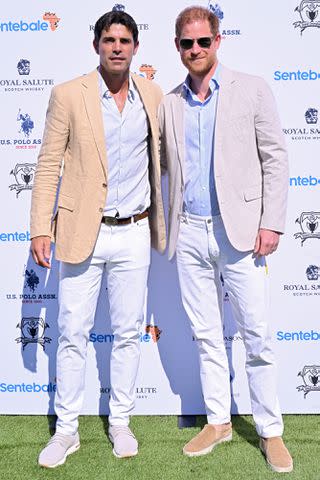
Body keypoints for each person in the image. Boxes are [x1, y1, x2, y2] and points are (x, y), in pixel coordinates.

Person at [158, 6, 292, 473]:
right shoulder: (169, 102)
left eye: (202, 41)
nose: (195, 50)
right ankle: (218, 421)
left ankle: (270, 429)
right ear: (177, 47)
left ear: (218, 40)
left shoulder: (251, 88)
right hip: (190, 232)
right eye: (186, 43)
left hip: (241, 232)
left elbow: (275, 157)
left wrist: (271, 221)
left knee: (256, 335)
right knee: (207, 335)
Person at [30, 10, 166, 468]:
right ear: (96, 45)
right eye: (109, 39)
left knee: (128, 333)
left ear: (135, 47)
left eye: (124, 40)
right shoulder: (69, 94)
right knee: (71, 333)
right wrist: (39, 228)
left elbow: (164, 160)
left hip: (134, 231)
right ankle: (66, 431)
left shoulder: (152, 95)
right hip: (81, 230)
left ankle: (120, 420)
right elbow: (49, 164)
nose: (116, 47)